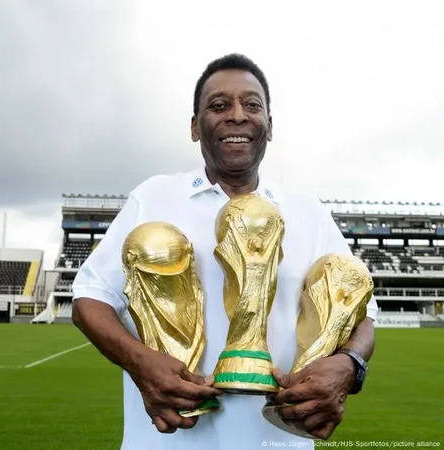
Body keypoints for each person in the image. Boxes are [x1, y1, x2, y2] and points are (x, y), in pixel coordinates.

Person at [72, 54, 378, 450]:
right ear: (195, 127)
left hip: (277, 442)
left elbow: (362, 314)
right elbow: (90, 300)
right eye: (219, 105)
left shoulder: (309, 212)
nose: (237, 116)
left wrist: (349, 365)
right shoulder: (154, 196)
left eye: (252, 105)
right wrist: (139, 362)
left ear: (269, 126)